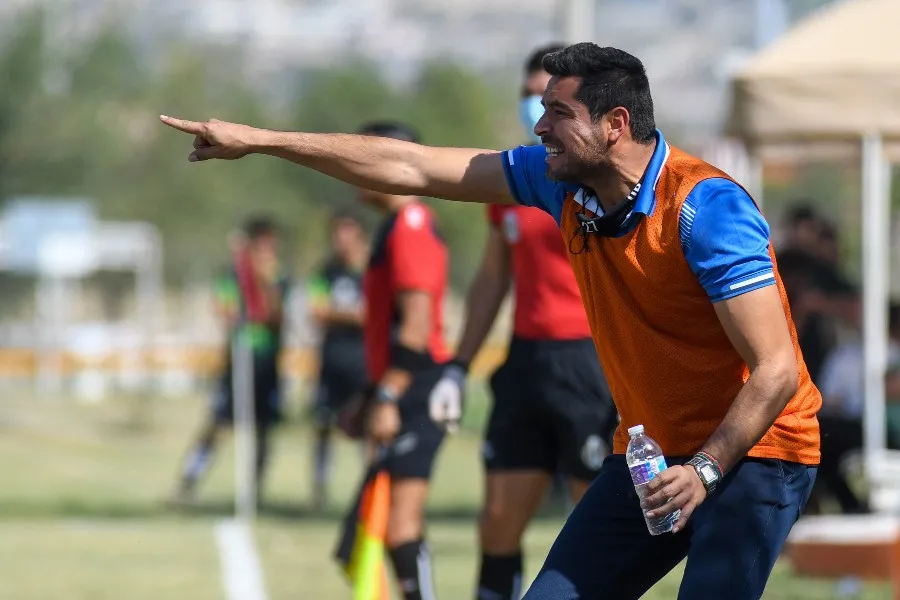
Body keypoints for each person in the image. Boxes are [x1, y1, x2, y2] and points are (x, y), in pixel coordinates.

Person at [159, 42, 821, 599]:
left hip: (756, 452)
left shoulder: (706, 211)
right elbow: (410, 165)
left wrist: (705, 469)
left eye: (558, 113)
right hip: (650, 455)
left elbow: (776, 370)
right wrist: (261, 141)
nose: (538, 128)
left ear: (615, 123)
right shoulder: (558, 182)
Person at [438, 43, 617, 600]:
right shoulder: (516, 181)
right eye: (529, 95)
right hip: (525, 360)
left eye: (552, 100)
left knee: (600, 526)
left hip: (590, 363)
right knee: (496, 520)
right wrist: (457, 366)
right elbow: (493, 278)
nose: (536, 110)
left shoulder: (601, 179)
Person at [339, 121, 451, 600]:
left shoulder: (411, 225)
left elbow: (417, 323)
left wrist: (388, 394)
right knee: (386, 526)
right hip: (399, 384)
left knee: (401, 525)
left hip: (416, 384)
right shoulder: (392, 227)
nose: (352, 169)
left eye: (363, 156)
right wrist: (369, 393)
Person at [168, 216, 290, 506]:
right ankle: (188, 481)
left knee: (264, 430)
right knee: (217, 425)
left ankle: (254, 491)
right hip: (238, 360)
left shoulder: (279, 278)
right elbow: (226, 312)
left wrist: (264, 285)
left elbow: (277, 318)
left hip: (267, 362)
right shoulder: (232, 276)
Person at [307, 211, 369, 510]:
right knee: (323, 425)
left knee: (367, 429)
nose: (341, 241)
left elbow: (372, 315)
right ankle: (319, 490)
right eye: (337, 234)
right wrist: (351, 314)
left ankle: (369, 491)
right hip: (331, 362)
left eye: (347, 233)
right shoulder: (325, 272)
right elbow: (316, 311)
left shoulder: (371, 270)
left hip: (363, 364)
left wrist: (337, 313)